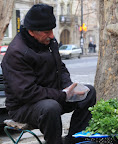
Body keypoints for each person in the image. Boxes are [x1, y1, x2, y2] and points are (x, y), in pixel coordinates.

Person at [1, 4, 96, 144]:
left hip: (54, 96)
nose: (51, 35)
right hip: (23, 107)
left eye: (51, 30)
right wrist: (63, 94)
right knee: (50, 107)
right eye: (46, 32)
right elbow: (27, 92)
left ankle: (73, 140)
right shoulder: (16, 53)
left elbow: (61, 68)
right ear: (31, 31)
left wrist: (70, 88)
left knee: (89, 92)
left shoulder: (50, 41)